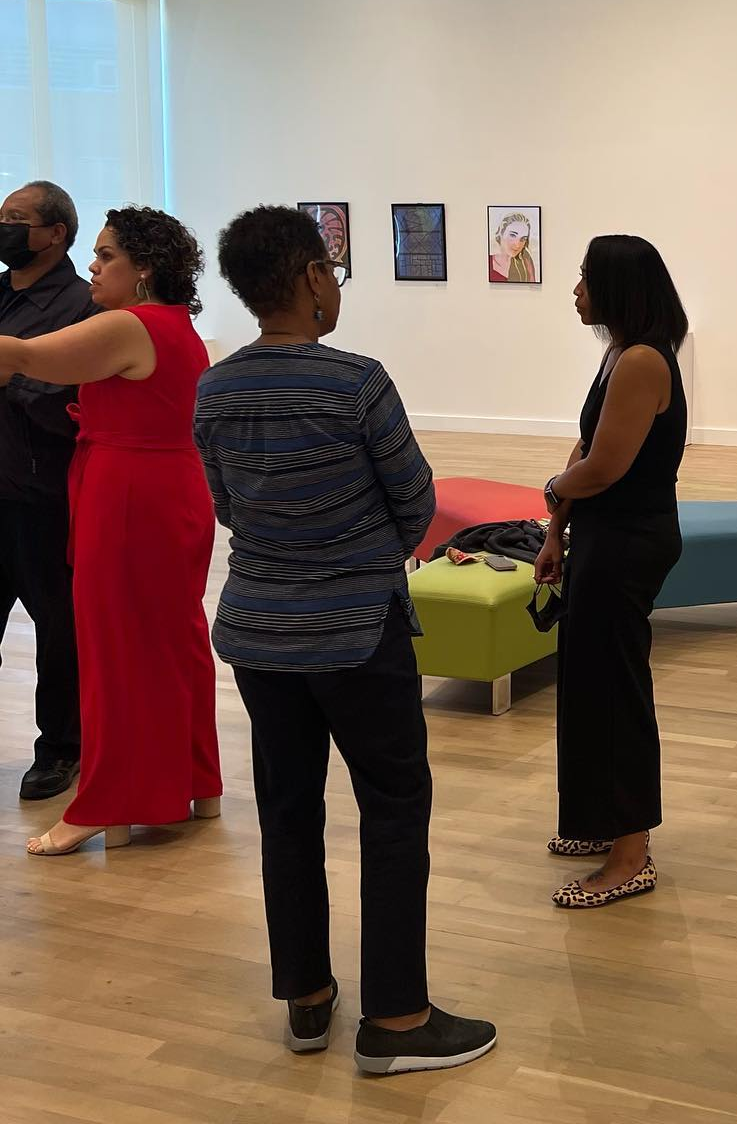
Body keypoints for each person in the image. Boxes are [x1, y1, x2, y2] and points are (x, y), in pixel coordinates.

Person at [195, 206, 495, 1074]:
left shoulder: (215, 390)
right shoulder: (356, 381)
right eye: (330, 268)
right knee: (394, 809)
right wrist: (356, 552)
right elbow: (415, 501)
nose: (335, 284)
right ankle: (397, 1020)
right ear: (308, 277)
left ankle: (307, 998)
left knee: (287, 812)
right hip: (359, 631)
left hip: (259, 633)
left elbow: (228, 506)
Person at [0, 207, 222, 856]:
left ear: (144, 268)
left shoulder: (129, 324)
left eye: (106, 257)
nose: (92, 269)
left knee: (117, 650)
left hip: (129, 497)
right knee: (170, 642)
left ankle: (109, 803)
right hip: (167, 491)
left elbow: (23, 357)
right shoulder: (174, 325)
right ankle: (195, 783)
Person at [534, 235, 688, 909]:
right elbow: (587, 447)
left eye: (585, 279)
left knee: (616, 692)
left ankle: (630, 856)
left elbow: (604, 467)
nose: (576, 291)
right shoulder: (619, 354)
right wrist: (556, 530)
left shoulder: (644, 361)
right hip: (602, 534)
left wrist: (551, 489)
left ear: (619, 288)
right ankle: (598, 821)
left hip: (629, 542)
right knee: (589, 683)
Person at [0, 181, 94, 801]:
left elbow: (72, 397)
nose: (4, 227)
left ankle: (61, 748)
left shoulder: (82, 307)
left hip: (42, 496)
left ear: (56, 233)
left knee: (58, 631)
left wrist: (15, 374)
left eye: (16, 218)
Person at [489, 212, 537, 283]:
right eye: (512, 235)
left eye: (523, 239)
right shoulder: (487, 262)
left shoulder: (526, 263)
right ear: (501, 233)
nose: (517, 245)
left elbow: (533, 287)